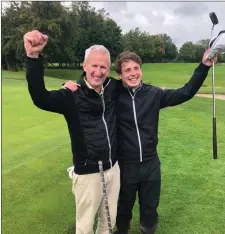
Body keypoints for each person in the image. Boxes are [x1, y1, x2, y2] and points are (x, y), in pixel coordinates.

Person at [63, 49, 216, 234]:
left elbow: (186, 92)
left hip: (151, 165)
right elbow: (91, 85)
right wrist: (70, 85)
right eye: (127, 70)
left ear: (141, 70)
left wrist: (204, 66)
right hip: (126, 166)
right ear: (119, 75)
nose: (133, 73)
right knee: (122, 211)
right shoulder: (113, 93)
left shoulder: (154, 94)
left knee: (149, 211)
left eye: (136, 68)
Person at [24, 29, 121, 234]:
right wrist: (33, 57)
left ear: (108, 68)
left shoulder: (112, 87)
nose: (98, 71)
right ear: (84, 66)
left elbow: (134, 84)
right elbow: (40, 98)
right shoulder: (70, 94)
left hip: (113, 169)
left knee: (108, 224)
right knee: (84, 228)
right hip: (88, 174)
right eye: (94, 65)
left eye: (103, 66)